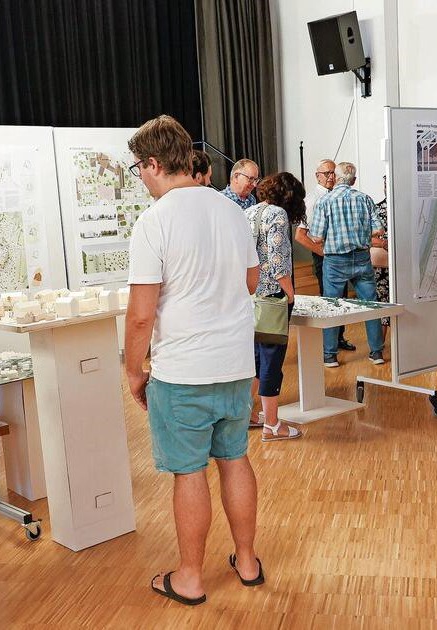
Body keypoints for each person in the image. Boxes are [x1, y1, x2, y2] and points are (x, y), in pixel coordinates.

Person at [124, 115, 263, 606]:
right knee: (235, 460)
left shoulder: (154, 221)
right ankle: (247, 560)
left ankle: (190, 577)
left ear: (153, 163)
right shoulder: (231, 211)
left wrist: (134, 371)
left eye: (138, 168)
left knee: (190, 473)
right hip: (235, 364)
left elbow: (141, 316)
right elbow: (251, 281)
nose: (140, 177)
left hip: (183, 371)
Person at [246, 173, 306, 441]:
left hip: (250, 295)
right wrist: (290, 293)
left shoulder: (249, 212)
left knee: (255, 359)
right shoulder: (278, 215)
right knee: (272, 360)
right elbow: (277, 259)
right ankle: (272, 425)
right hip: (272, 296)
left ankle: (248, 414)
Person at [308, 162, 385, 367]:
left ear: (336, 178)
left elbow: (316, 237)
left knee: (332, 306)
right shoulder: (364, 199)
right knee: (371, 305)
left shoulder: (324, 201)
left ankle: (330, 355)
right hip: (362, 258)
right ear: (354, 180)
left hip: (334, 261)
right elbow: (379, 230)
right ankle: (376, 352)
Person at [295, 159, 355, 351]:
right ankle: (329, 345)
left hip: (341, 256)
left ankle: (338, 339)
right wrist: (325, 254)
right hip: (325, 257)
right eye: (326, 173)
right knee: (330, 301)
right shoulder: (312, 200)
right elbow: (300, 235)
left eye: (333, 173)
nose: (331, 177)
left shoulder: (338, 196)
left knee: (342, 300)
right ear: (317, 176)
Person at [372, 174, 391, 336]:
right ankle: (379, 345)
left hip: (403, 264)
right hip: (381, 265)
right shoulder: (375, 209)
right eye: (386, 184)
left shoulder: (407, 209)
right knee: (382, 303)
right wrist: (384, 243)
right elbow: (364, 237)